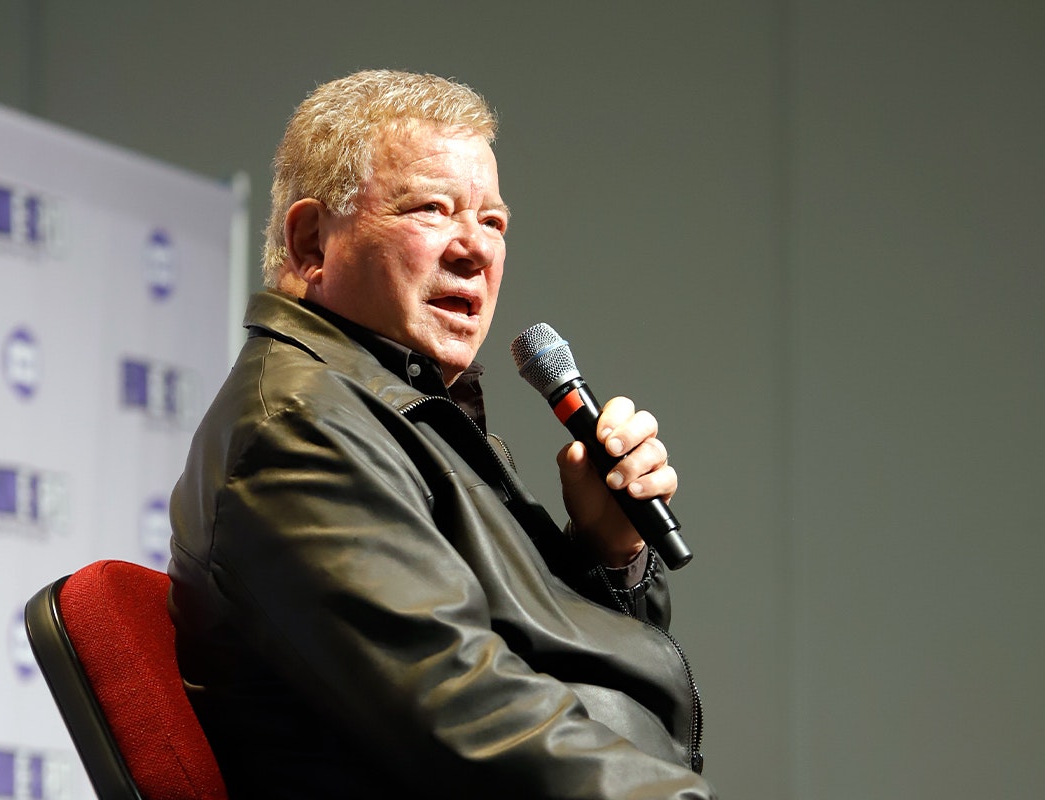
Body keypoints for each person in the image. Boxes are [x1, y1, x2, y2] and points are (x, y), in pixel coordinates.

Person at [168, 69, 715, 799]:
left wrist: (609, 554)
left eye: (493, 222)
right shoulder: (302, 431)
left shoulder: (396, 414)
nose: (477, 249)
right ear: (310, 242)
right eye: (431, 209)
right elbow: (473, 717)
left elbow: (560, 664)